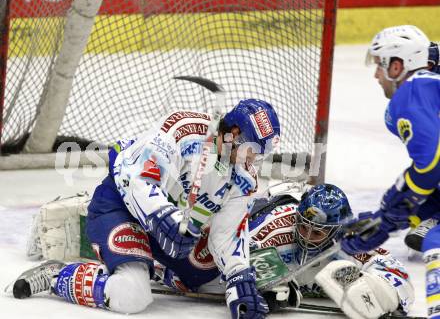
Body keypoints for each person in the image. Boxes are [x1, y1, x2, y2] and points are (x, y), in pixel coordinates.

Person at [11, 98, 280, 319]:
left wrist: (238, 277)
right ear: (234, 134)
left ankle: (157, 266)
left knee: (210, 273)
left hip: (171, 229)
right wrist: (165, 216)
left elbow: (227, 234)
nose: (254, 159)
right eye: (252, 150)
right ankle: (57, 274)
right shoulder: (184, 129)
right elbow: (136, 177)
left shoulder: (244, 178)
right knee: (131, 295)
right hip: (121, 204)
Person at [151, 183, 415, 319]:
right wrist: (264, 288)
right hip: (254, 214)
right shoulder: (275, 230)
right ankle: (150, 254)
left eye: (318, 232)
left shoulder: (349, 238)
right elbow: (227, 262)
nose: (307, 237)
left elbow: (397, 274)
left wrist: (386, 296)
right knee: (197, 275)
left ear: (336, 230)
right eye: (304, 227)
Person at [339, 25, 440, 318]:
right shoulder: (428, 86)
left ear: (397, 66)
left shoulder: (408, 95)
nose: (376, 75)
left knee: (435, 241)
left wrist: (388, 218)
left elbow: (432, 164)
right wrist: (389, 214)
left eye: (380, 66)